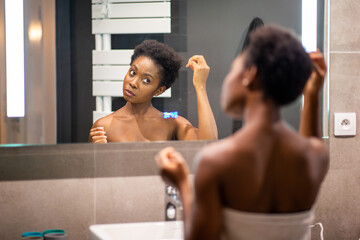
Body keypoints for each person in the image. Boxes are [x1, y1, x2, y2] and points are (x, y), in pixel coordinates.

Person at [155, 25, 329, 240]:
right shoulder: (315, 157)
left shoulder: (216, 161)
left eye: (232, 69)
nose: (227, 80)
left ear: (250, 74)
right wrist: (312, 95)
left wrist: (181, 183)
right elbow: (311, 144)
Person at [89, 40, 218, 143]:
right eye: (132, 72)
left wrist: (200, 85)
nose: (133, 83)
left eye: (146, 80)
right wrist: (101, 153)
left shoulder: (170, 120)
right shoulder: (104, 126)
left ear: (159, 90)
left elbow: (208, 145)